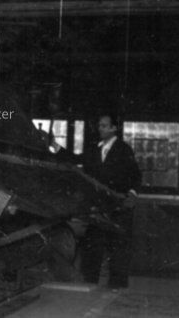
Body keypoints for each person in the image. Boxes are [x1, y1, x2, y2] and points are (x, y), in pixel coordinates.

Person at [50, 113, 141, 289]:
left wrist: (132, 194)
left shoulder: (124, 150)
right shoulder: (93, 150)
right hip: (98, 209)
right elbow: (75, 160)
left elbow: (136, 175)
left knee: (119, 250)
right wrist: (55, 146)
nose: (100, 129)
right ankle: (90, 285)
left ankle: (117, 288)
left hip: (118, 208)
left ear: (114, 128)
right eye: (99, 125)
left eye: (104, 126)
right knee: (93, 248)